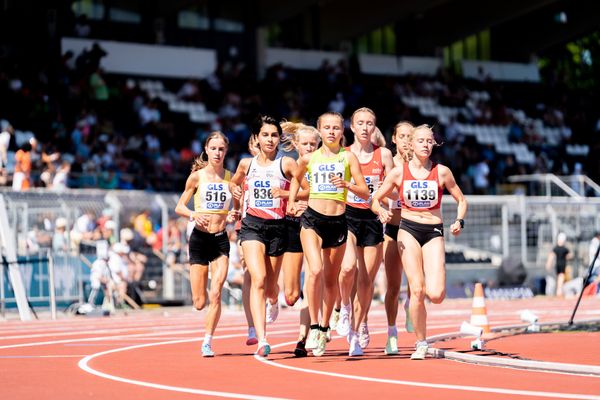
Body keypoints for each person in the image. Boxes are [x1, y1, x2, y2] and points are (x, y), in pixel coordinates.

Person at [371, 124, 467, 360]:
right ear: (411, 144)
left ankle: (415, 307)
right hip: (408, 229)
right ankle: (420, 342)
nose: (425, 145)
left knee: (435, 294)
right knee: (417, 289)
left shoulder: (442, 172)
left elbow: (461, 200)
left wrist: (459, 221)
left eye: (429, 141)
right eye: (421, 140)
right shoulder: (398, 172)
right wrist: (381, 212)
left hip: (433, 230)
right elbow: (375, 199)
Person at [287, 111, 369, 357]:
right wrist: (291, 201)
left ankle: (324, 327)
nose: (332, 131)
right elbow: (295, 179)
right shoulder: (308, 158)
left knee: (331, 281)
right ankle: (313, 326)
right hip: (312, 219)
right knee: (314, 270)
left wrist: (347, 185)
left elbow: (364, 192)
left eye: (336, 127)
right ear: (320, 130)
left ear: (342, 132)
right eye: (327, 127)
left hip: (337, 222)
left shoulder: (348, 157)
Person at [230, 115, 298, 357]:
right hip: (252, 225)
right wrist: (235, 196)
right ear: (257, 138)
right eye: (265, 135)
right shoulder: (246, 164)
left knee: (270, 287)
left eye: (274, 135)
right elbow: (234, 185)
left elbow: (307, 188)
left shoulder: (287, 163)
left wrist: (287, 196)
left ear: (279, 138)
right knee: (257, 278)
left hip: (278, 227)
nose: (270, 139)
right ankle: (262, 338)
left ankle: (273, 297)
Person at [175, 131, 238, 357]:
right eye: (214, 148)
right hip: (200, 240)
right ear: (206, 150)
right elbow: (179, 207)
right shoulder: (197, 177)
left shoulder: (232, 178)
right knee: (200, 301)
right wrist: (193, 215)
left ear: (225, 151)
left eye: (221, 149)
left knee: (217, 293)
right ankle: (203, 318)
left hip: (220, 239)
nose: (218, 153)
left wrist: (233, 215)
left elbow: (238, 209)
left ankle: (207, 341)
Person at [337, 107, 394, 356]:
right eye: (360, 123)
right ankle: (345, 307)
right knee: (348, 267)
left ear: (374, 127)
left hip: (372, 219)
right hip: (347, 216)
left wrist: (385, 198)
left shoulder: (383, 155)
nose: (364, 127)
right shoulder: (343, 154)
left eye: (369, 123)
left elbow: (395, 188)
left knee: (366, 281)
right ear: (352, 126)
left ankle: (358, 330)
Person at [280, 121, 320, 357]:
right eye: (304, 144)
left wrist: (307, 200)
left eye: (313, 144)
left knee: (314, 277)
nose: (308, 148)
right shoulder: (287, 165)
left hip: (316, 224)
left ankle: (304, 337)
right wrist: (290, 201)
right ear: (295, 144)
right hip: (292, 225)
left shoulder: (325, 164)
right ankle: (275, 300)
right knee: (292, 295)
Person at [382, 121, 414, 356]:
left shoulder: (420, 165)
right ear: (394, 138)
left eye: (410, 136)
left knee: (416, 283)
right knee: (393, 286)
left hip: (414, 229)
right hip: (392, 230)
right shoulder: (388, 163)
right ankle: (392, 333)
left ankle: (412, 306)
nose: (406, 140)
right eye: (402, 136)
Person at [545, 232, 571, 297]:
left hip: (557, 264)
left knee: (559, 277)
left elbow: (551, 256)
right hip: (562, 264)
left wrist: (548, 264)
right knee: (561, 277)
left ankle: (558, 290)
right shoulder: (565, 249)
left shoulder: (555, 248)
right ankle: (559, 291)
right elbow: (569, 256)